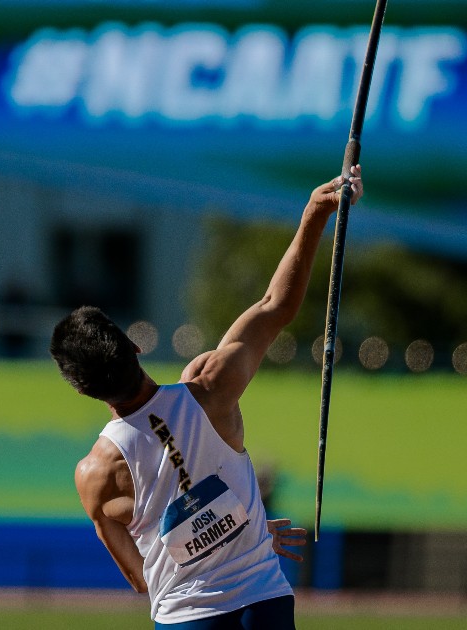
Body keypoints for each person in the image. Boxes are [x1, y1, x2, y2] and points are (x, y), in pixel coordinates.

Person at [49, 166, 363, 628]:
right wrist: (316, 213)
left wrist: (224, 533)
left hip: (186, 618)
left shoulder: (94, 475)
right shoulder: (210, 387)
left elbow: (143, 578)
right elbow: (276, 306)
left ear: (81, 388)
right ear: (134, 345)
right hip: (264, 603)